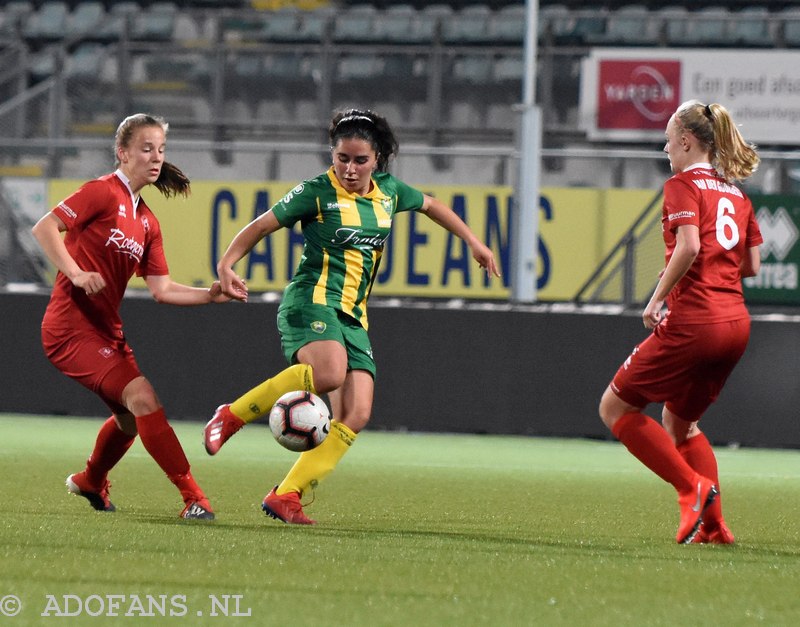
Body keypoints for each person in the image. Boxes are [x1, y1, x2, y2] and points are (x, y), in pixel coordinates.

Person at [203, 108, 500, 524]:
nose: (350, 168)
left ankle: (286, 494)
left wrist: (474, 241)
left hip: (353, 315)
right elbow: (260, 226)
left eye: (360, 160)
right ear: (333, 154)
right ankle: (232, 415)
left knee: (356, 413)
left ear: (377, 159)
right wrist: (227, 264)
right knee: (328, 373)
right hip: (311, 301)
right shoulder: (315, 192)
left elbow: (432, 206)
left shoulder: (390, 192)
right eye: (342, 158)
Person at [32, 113, 229, 520]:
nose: (156, 158)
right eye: (146, 149)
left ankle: (90, 480)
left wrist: (210, 294)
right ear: (122, 153)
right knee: (143, 398)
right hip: (69, 328)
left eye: (160, 150)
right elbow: (45, 228)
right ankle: (194, 498)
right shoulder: (101, 192)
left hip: (105, 332)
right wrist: (75, 272)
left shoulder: (147, 221)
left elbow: (163, 289)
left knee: (128, 420)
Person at [599, 100, 762, 544]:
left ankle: (691, 489)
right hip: (736, 325)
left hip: (697, 321)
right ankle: (714, 526)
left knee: (615, 408)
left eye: (669, 140)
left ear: (686, 141)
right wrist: (688, 267)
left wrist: (656, 299)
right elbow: (750, 264)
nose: (667, 148)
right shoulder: (736, 193)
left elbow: (689, 246)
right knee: (680, 422)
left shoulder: (681, 185)